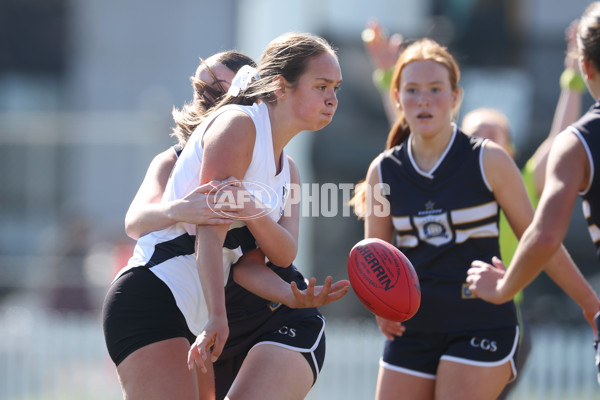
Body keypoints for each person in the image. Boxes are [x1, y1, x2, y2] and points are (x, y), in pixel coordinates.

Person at [350, 37, 599, 399]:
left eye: (435, 89)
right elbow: (377, 260)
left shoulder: (489, 160)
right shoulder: (382, 172)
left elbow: (541, 239)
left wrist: (591, 305)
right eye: (412, 90)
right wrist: (380, 307)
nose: (423, 100)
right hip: (413, 330)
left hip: (481, 323)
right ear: (397, 99)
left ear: (455, 98)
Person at [103, 33, 345, 400]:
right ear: (280, 86)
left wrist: (292, 295)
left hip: (195, 309)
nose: (332, 99)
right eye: (322, 86)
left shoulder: (284, 165)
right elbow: (207, 236)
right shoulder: (238, 126)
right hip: (154, 296)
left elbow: (275, 257)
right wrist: (218, 316)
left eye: (336, 88)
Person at [466, 2, 600, 383]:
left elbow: (563, 137)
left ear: (509, 150)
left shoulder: (524, 182)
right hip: (449, 318)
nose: (483, 140)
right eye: (474, 134)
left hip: (505, 315)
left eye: (493, 135)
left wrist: (571, 79)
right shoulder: (446, 184)